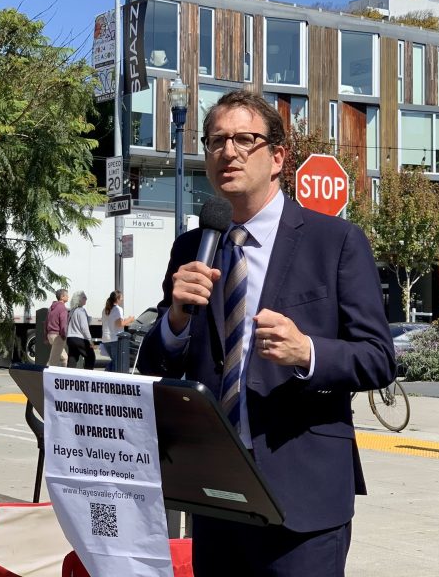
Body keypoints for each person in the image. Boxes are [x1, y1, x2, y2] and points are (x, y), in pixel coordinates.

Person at [137, 89, 396, 576]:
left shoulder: (336, 242)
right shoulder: (193, 246)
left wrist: (308, 352)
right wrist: (174, 318)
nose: (227, 152)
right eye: (215, 141)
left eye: (244, 139)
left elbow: (380, 358)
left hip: (303, 494)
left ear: (278, 157)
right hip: (215, 490)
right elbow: (155, 363)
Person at [100, 290, 134, 372]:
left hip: (105, 339)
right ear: (117, 299)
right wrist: (130, 320)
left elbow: (112, 322)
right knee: (117, 362)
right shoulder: (118, 309)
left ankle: (107, 376)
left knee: (114, 361)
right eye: (121, 297)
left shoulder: (105, 309)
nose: (122, 299)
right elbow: (120, 324)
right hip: (114, 339)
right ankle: (110, 379)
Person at [66, 291, 96, 369]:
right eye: (84, 297)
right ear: (79, 299)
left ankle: (69, 377)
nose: (86, 299)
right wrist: (90, 340)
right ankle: (87, 376)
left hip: (70, 338)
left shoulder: (72, 311)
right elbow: (84, 327)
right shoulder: (81, 311)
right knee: (91, 357)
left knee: (72, 359)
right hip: (79, 338)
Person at [45, 289, 69, 366]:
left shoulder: (51, 307)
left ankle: (60, 375)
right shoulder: (62, 308)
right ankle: (44, 375)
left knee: (63, 358)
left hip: (50, 335)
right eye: (67, 295)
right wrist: (64, 336)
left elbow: (46, 322)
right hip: (57, 336)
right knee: (54, 361)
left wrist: (46, 337)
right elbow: (63, 324)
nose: (68, 297)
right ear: (62, 297)